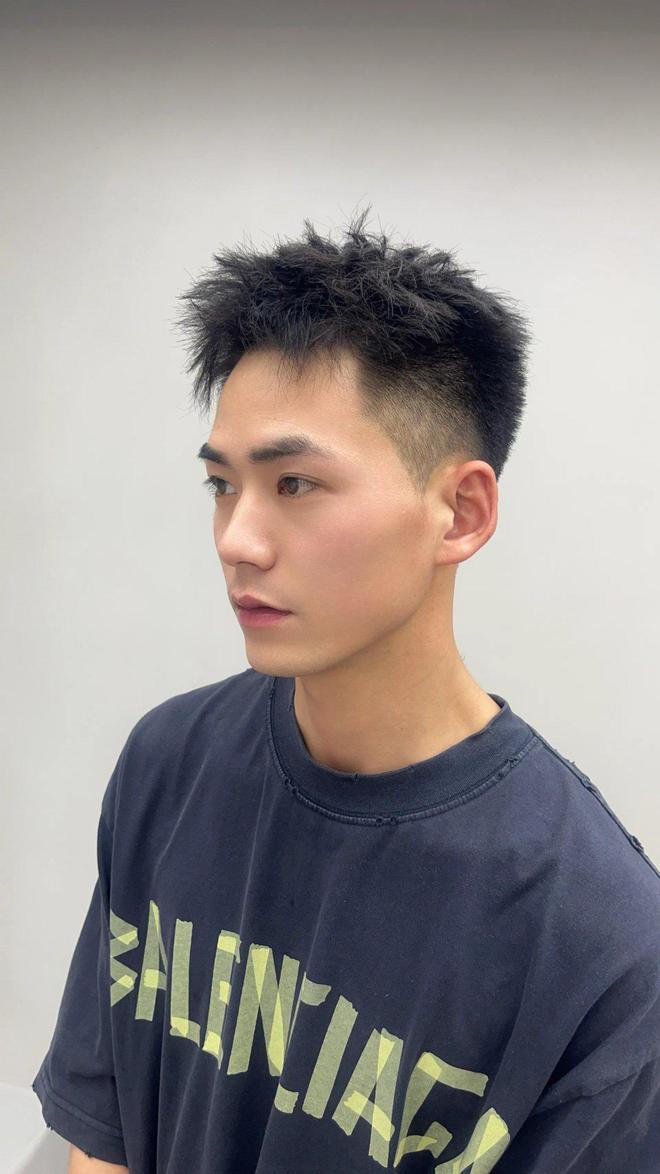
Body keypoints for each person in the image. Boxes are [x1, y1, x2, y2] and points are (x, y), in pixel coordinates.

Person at [33, 208, 660, 1172]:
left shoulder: (597, 942)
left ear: (461, 512)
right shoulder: (170, 764)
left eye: (294, 484)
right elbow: (100, 1128)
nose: (237, 539)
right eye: (221, 485)